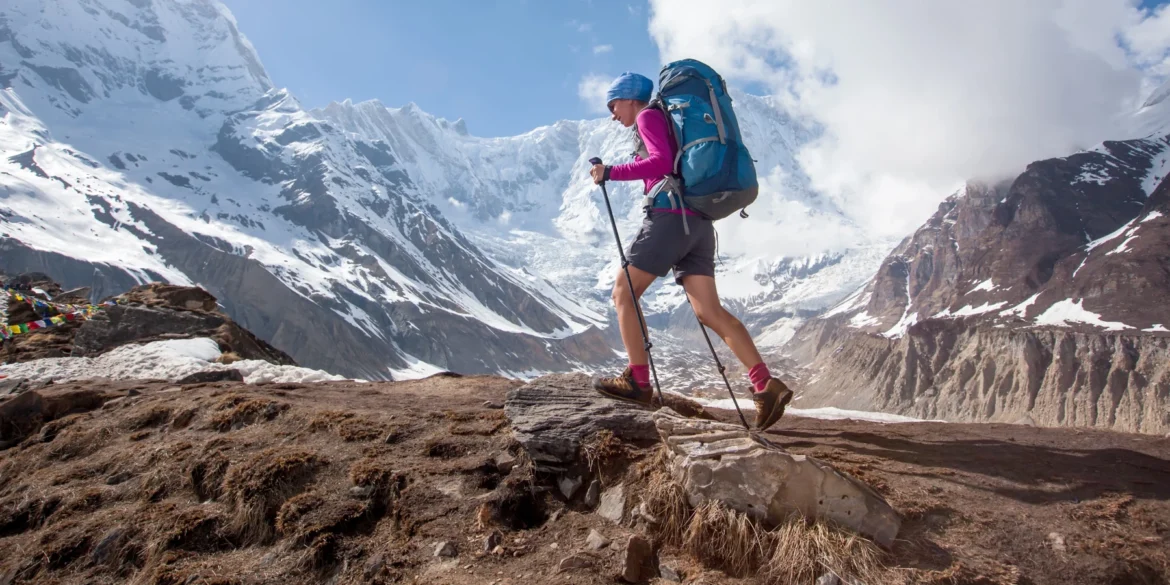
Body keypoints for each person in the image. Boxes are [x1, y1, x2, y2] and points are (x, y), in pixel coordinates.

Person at [588, 72, 793, 431]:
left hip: (669, 219)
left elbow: (660, 163)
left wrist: (611, 172)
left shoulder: (649, 116)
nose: (612, 114)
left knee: (624, 292)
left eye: (613, 104)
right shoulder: (665, 117)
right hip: (698, 224)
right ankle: (765, 384)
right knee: (710, 311)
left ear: (630, 99)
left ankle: (638, 381)